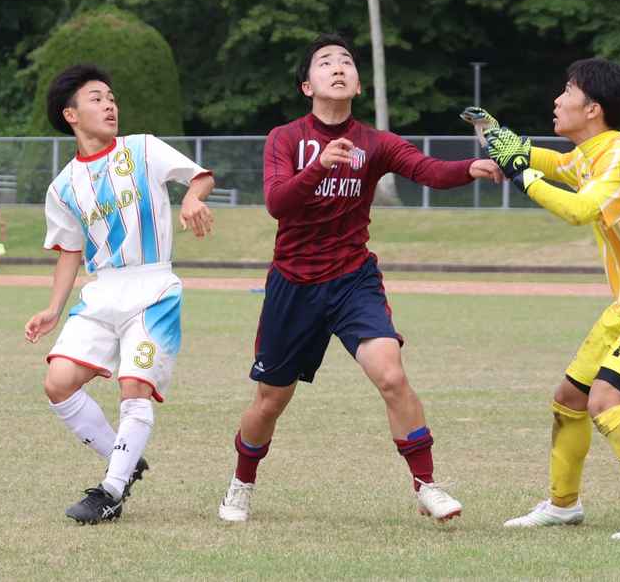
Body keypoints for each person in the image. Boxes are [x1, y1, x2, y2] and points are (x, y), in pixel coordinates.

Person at [216, 34, 503, 525]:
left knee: (391, 375)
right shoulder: (285, 138)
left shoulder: (375, 142)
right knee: (269, 402)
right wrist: (317, 169)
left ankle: (427, 485)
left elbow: (428, 169)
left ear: (358, 84)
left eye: (346, 61)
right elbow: (277, 204)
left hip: (352, 279)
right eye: (325, 63)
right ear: (308, 85)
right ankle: (241, 483)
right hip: (293, 285)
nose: (338, 67)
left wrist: (471, 167)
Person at [467, 57, 620, 542]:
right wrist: (510, 145)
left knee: (605, 400)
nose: (557, 100)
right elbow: (556, 163)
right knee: (569, 400)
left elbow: (581, 210)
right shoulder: (592, 154)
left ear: (593, 108)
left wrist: (521, 175)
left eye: (567, 91)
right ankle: (563, 505)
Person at [23, 64, 216, 524]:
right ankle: (123, 458)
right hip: (102, 292)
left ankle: (110, 491)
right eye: (96, 98)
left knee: (135, 389)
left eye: (111, 97)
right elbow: (70, 250)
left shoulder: (142, 149)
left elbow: (201, 175)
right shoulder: (64, 186)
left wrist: (192, 197)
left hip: (154, 287)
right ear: (71, 114)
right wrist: (53, 308)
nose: (110, 105)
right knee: (58, 383)